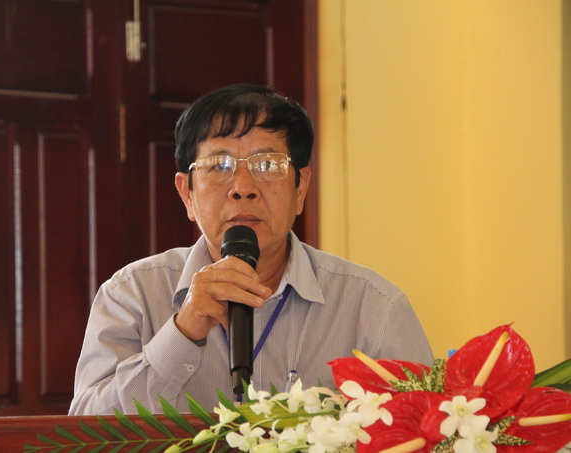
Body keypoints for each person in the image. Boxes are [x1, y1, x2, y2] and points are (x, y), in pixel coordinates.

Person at [69, 84, 433, 416]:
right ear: (187, 194)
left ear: (301, 188)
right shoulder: (132, 294)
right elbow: (83, 430)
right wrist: (183, 332)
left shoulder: (373, 308)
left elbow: (425, 430)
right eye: (219, 165)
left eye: (267, 165)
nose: (243, 187)